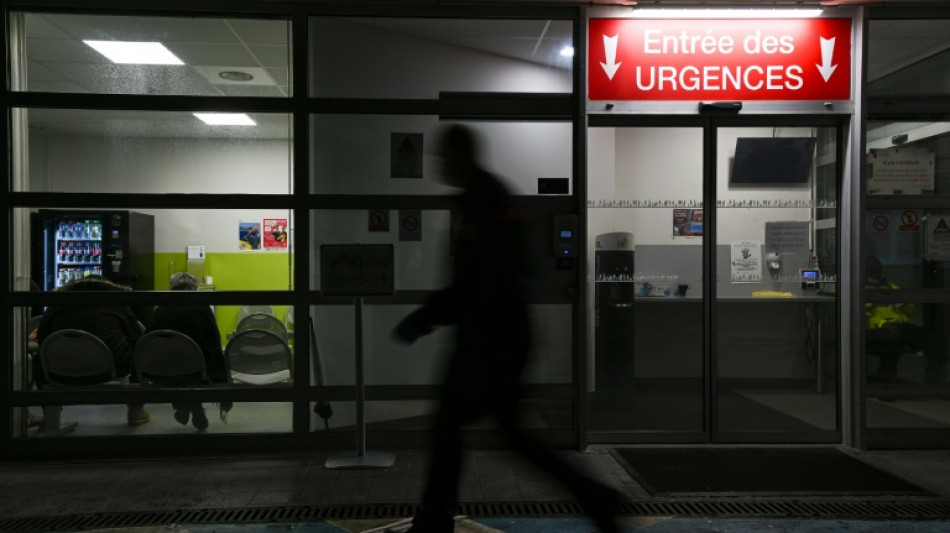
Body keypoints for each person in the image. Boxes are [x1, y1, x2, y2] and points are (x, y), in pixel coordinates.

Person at [389, 124, 621, 533]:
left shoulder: (483, 199)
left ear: (461, 156)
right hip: (496, 334)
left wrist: (425, 317)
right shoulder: (483, 196)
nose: (438, 164)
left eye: (443, 157)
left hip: (490, 339)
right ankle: (595, 498)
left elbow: (481, 278)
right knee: (505, 434)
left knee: (452, 425)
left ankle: (436, 518)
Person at [35, 275, 149, 426]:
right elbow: (137, 336)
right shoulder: (117, 303)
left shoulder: (57, 303)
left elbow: (43, 338)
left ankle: (50, 415)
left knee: (38, 359)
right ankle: (135, 410)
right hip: (111, 367)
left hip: (60, 369)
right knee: (138, 352)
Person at [146, 272, 229, 430]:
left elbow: (148, 340)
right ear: (195, 289)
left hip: (164, 368)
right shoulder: (202, 308)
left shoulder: (160, 310)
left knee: (175, 367)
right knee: (190, 370)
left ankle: (182, 405)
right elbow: (213, 341)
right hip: (197, 367)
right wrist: (220, 375)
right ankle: (190, 405)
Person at [865, 256, 946, 382]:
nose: (876, 272)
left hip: (900, 325)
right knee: (891, 342)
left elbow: (908, 312)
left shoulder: (891, 287)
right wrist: (881, 324)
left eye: (878, 269)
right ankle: (886, 384)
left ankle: (935, 381)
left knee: (932, 340)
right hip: (875, 328)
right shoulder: (860, 290)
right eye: (872, 269)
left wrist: (905, 303)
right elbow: (860, 317)